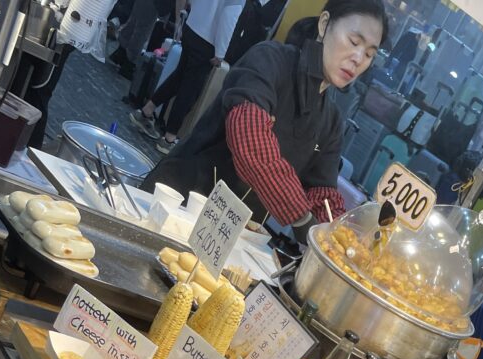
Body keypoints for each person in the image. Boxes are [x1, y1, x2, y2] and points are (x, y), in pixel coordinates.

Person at [140, 0, 388, 241]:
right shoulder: (271, 60)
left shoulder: (331, 121)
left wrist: (338, 239)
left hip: (226, 235)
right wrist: (301, 219)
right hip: (178, 200)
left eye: (369, 54)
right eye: (354, 41)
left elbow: (323, 195)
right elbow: (249, 138)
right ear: (324, 25)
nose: (358, 58)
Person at [130, 0, 245, 154]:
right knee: (189, 91)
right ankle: (169, 139)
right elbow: (229, 18)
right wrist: (220, 52)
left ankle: (146, 111)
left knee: (179, 77)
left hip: (192, 26)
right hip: (208, 40)